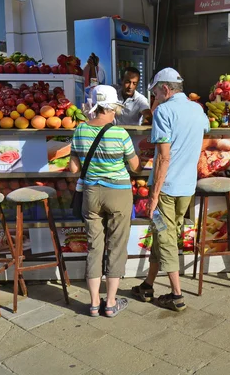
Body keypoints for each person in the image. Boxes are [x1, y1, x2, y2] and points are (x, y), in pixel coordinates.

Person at [132, 68, 210, 312]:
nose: (154, 96)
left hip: (166, 188)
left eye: (155, 91)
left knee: (165, 236)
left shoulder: (164, 111)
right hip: (187, 186)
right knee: (164, 232)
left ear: (165, 89)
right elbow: (205, 131)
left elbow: (163, 159)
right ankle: (148, 284)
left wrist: (154, 195)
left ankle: (177, 295)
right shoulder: (198, 109)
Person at [70, 85, 142, 317]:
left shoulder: (80, 130)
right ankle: (110, 303)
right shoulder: (120, 134)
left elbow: (73, 168)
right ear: (112, 108)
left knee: (94, 246)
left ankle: (93, 303)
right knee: (116, 246)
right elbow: (135, 166)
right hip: (118, 193)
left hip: (91, 193)